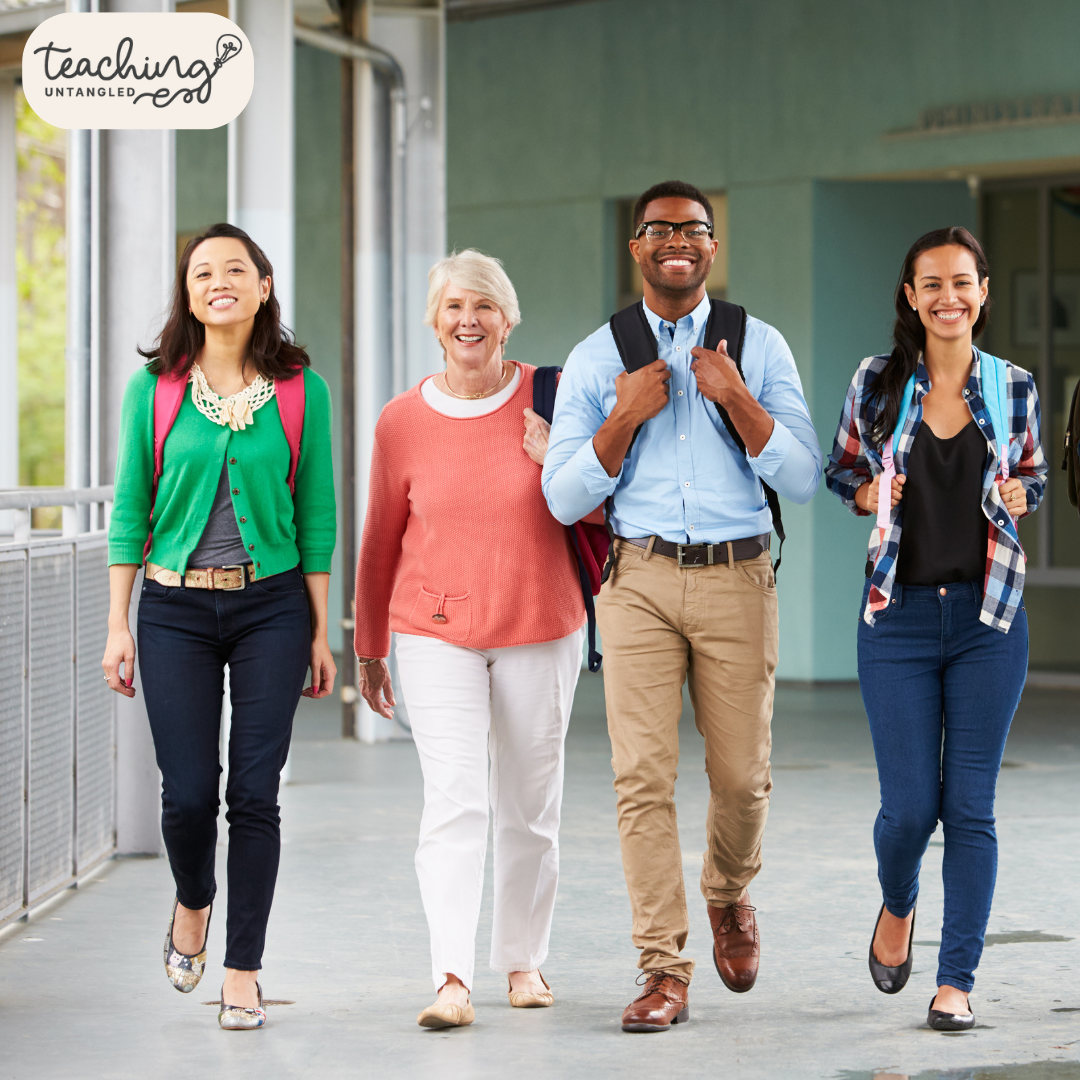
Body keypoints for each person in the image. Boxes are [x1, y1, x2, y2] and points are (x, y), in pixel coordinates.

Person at [542, 180, 822, 1032]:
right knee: (641, 780)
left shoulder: (760, 345)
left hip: (740, 576)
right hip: (641, 580)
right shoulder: (600, 357)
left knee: (742, 778)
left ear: (710, 245)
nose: (677, 240)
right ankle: (663, 968)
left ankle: (728, 893)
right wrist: (621, 421)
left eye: (693, 229)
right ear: (636, 248)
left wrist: (737, 398)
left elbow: (805, 477)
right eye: (659, 229)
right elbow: (560, 495)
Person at [102, 223, 337, 1031]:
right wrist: (117, 623)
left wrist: (316, 628)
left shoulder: (302, 390)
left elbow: (317, 513)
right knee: (189, 795)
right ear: (188, 292)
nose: (219, 280)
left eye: (236, 268)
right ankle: (192, 901)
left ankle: (242, 970)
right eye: (203, 271)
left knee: (254, 794)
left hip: (271, 605)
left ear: (263, 286)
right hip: (171, 611)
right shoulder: (156, 389)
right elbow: (131, 508)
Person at [353, 249, 587, 1030]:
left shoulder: (555, 402)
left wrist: (558, 458)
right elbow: (381, 538)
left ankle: (523, 960)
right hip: (434, 631)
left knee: (530, 804)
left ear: (508, 318)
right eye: (454, 307)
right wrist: (369, 644)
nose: (468, 321)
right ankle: (451, 976)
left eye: (484, 306)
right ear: (434, 322)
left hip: (540, 622)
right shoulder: (402, 421)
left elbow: (607, 515)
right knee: (455, 801)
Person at [825, 227, 1046, 1032]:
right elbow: (842, 470)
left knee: (972, 808)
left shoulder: (1014, 385)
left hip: (990, 618)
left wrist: (1027, 494)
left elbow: (1030, 472)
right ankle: (898, 901)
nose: (948, 297)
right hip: (899, 620)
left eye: (963, 282)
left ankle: (956, 981)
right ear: (911, 296)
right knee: (911, 810)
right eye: (932, 285)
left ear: (983, 292)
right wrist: (873, 497)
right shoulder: (877, 382)